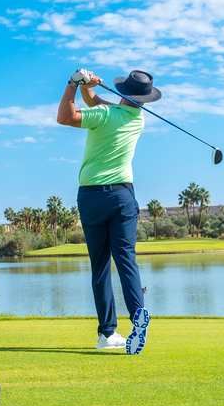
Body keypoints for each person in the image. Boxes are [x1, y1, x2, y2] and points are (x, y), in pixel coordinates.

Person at [56, 68, 161, 354]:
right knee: (126, 260)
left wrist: (72, 84)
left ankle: (107, 333)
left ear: (124, 92)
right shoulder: (137, 119)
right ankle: (138, 313)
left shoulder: (105, 117)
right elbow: (98, 105)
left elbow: (65, 117)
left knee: (100, 265)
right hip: (123, 196)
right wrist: (88, 87)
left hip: (91, 196)